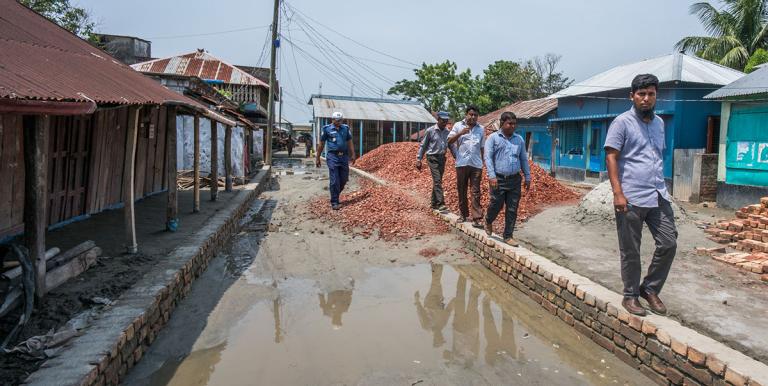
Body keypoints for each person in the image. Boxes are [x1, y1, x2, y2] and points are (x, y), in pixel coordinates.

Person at [605, 74, 677, 317]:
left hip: (657, 194)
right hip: (631, 196)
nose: (646, 99)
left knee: (668, 242)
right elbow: (611, 156)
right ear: (632, 96)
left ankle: (650, 288)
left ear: (656, 96)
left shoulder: (659, 123)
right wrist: (617, 193)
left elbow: (657, 156)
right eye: (641, 94)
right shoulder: (621, 123)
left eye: (651, 94)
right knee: (631, 249)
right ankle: (630, 295)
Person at [483, 112, 531, 246]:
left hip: (515, 179)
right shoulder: (492, 138)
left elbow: (523, 159)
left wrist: (527, 176)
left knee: (512, 208)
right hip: (498, 179)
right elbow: (488, 158)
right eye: (509, 123)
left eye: (514, 124)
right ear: (502, 123)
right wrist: (492, 176)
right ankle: (488, 220)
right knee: (496, 204)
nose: (512, 126)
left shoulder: (519, 140)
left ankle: (508, 235)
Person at [448, 106, 485, 228]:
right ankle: (463, 214)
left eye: (475, 115)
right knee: (462, 190)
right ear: (466, 115)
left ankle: (476, 218)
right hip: (462, 163)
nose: (473, 117)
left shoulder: (481, 129)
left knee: (475, 191)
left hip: (476, 165)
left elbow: (482, 147)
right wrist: (460, 133)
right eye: (471, 114)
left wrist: (483, 162)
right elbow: (449, 141)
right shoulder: (458, 125)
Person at [316, 111, 356, 210]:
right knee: (334, 180)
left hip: (344, 157)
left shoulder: (345, 128)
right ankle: (335, 202)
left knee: (344, 179)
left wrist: (353, 154)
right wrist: (317, 157)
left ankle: (335, 193)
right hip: (332, 157)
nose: (338, 122)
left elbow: (350, 142)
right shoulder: (326, 129)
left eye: (340, 120)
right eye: (337, 120)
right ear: (332, 120)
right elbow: (321, 144)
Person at [416, 111, 452, 212]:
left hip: (442, 158)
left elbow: (451, 145)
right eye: (442, 121)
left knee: (438, 180)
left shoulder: (447, 132)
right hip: (432, 157)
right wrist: (419, 159)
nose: (444, 123)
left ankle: (433, 203)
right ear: (438, 119)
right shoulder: (430, 131)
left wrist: (456, 156)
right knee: (437, 180)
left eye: (446, 121)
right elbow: (423, 146)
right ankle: (441, 203)